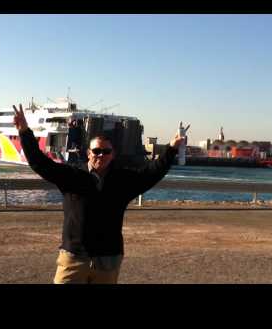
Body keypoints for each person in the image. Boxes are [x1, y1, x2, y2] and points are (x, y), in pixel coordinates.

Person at [13, 104, 185, 284]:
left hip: (108, 258)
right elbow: (39, 163)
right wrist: (24, 131)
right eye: (96, 151)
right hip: (73, 257)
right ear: (88, 153)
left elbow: (152, 173)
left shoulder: (123, 181)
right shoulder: (72, 176)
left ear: (113, 155)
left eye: (106, 151)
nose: (100, 155)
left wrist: (171, 148)